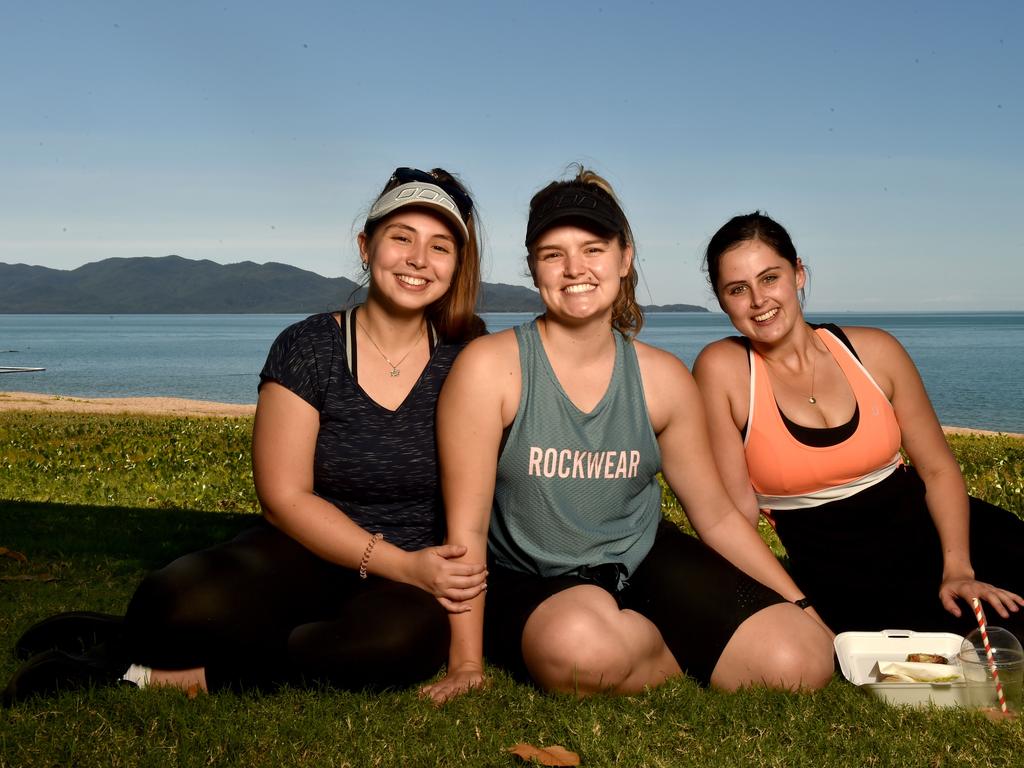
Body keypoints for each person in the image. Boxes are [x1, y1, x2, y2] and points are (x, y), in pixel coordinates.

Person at [3, 167, 488, 705]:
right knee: (176, 603)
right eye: (401, 237)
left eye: (439, 246)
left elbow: (474, 506)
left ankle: (132, 669)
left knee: (396, 645)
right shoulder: (308, 346)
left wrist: (435, 606)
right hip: (303, 553)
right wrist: (397, 560)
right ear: (365, 245)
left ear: (455, 266)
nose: (419, 259)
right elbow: (283, 498)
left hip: (407, 581)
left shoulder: (468, 359)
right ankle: (130, 632)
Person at [421, 169, 834, 705]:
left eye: (593, 249)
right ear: (533, 269)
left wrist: (805, 610)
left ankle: (648, 634)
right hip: (532, 577)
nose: (575, 269)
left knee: (797, 660)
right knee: (582, 648)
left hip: (640, 562)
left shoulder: (662, 379)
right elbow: (467, 532)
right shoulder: (490, 368)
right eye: (553, 254)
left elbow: (714, 516)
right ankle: (660, 646)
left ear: (624, 257)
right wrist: (466, 663)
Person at [692, 211, 1024, 641]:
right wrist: (798, 606)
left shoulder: (875, 350)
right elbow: (735, 514)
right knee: (975, 638)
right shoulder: (723, 370)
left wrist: (958, 568)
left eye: (770, 278)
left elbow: (938, 470)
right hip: (839, 563)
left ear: (798, 275)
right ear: (722, 301)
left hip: (938, 532)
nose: (758, 300)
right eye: (738, 289)